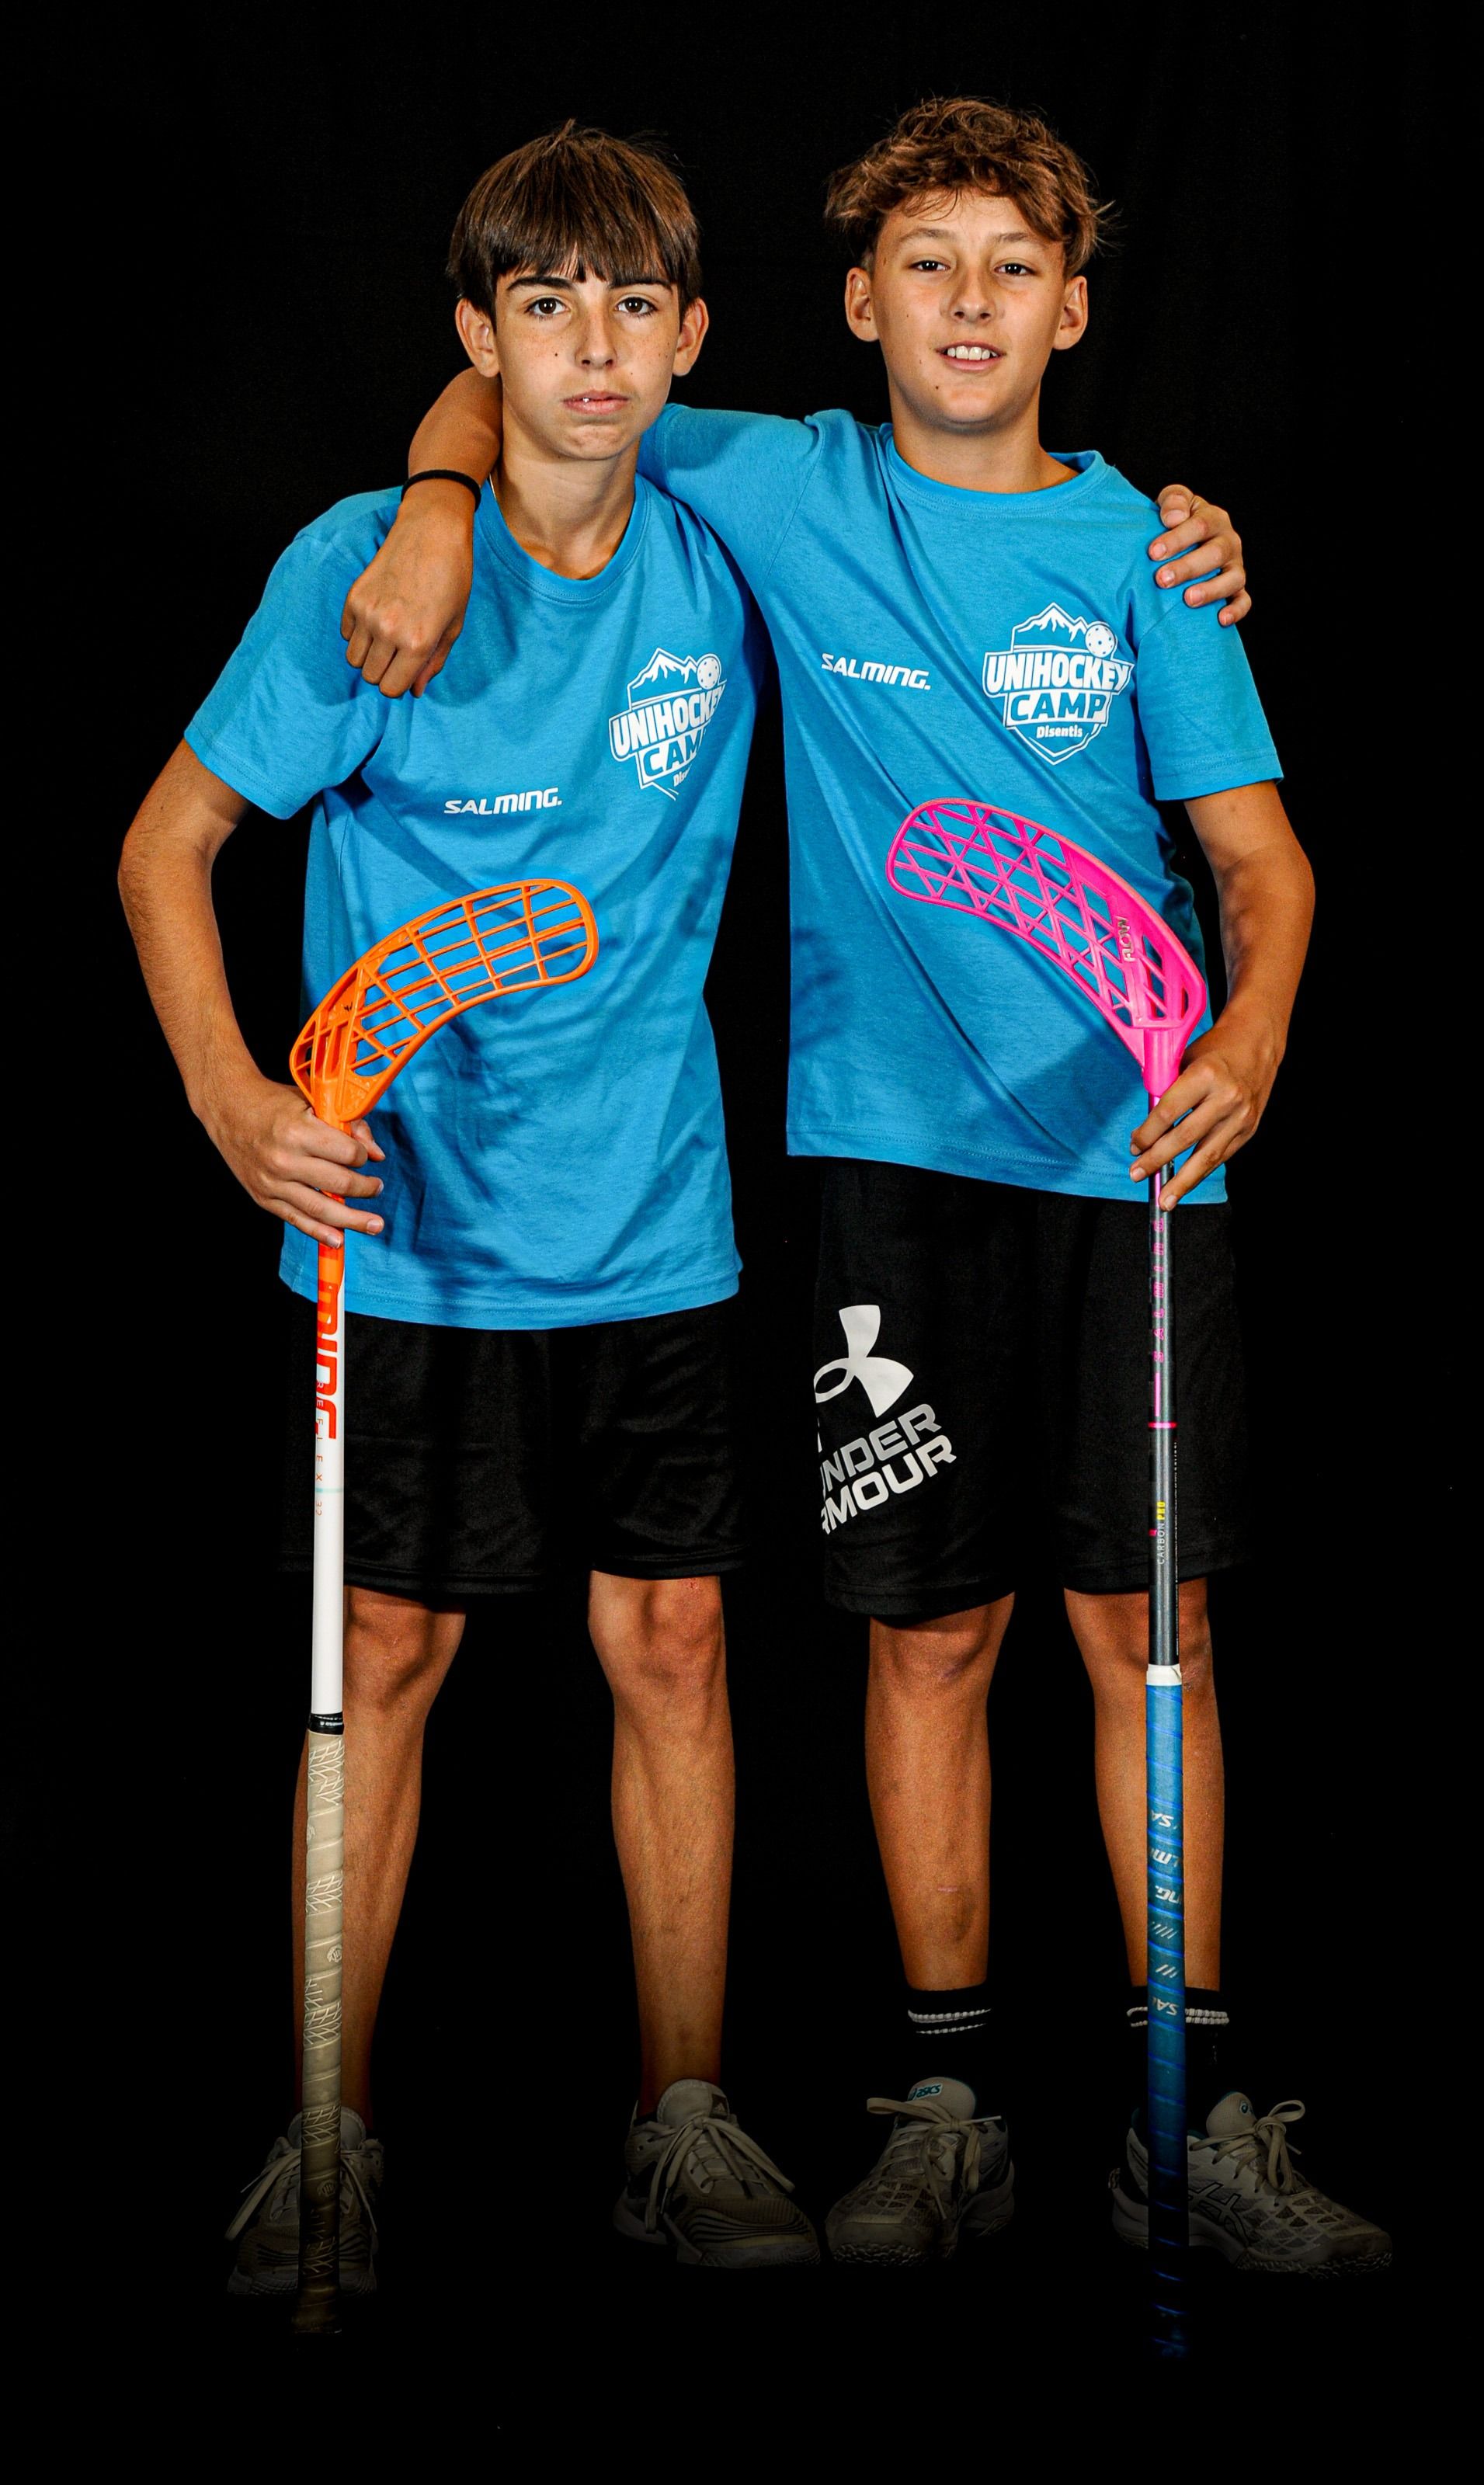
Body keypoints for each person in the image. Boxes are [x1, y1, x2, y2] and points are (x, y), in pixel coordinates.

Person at [353, 95, 1392, 2278]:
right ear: (855, 305)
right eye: (927, 264)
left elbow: (1262, 864)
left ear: (1074, 311)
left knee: (1155, 1633)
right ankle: (942, 2111)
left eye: (1013, 267)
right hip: (886, 1171)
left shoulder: (1148, 556)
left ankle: (1184, 2119)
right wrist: (437, 514)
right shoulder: (784, 482)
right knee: (932, 1635)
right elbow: (527, 382)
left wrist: (1256, 1035)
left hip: (1131, 1159)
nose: (969, 304)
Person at [118, 123, 825, 2284]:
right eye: (543, 308)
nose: (592, 349)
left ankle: (683, 2122)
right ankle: (326, 2140)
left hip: (651, 1223)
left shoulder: (728, 536)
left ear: (689, 341)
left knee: (673, 1647)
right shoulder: (366, 571)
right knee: (388, 1656)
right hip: (404, 1226)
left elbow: (964, 487)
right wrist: (233, 1101)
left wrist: (1178, 528)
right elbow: (165, 849)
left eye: (634, 308)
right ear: (475, 333)